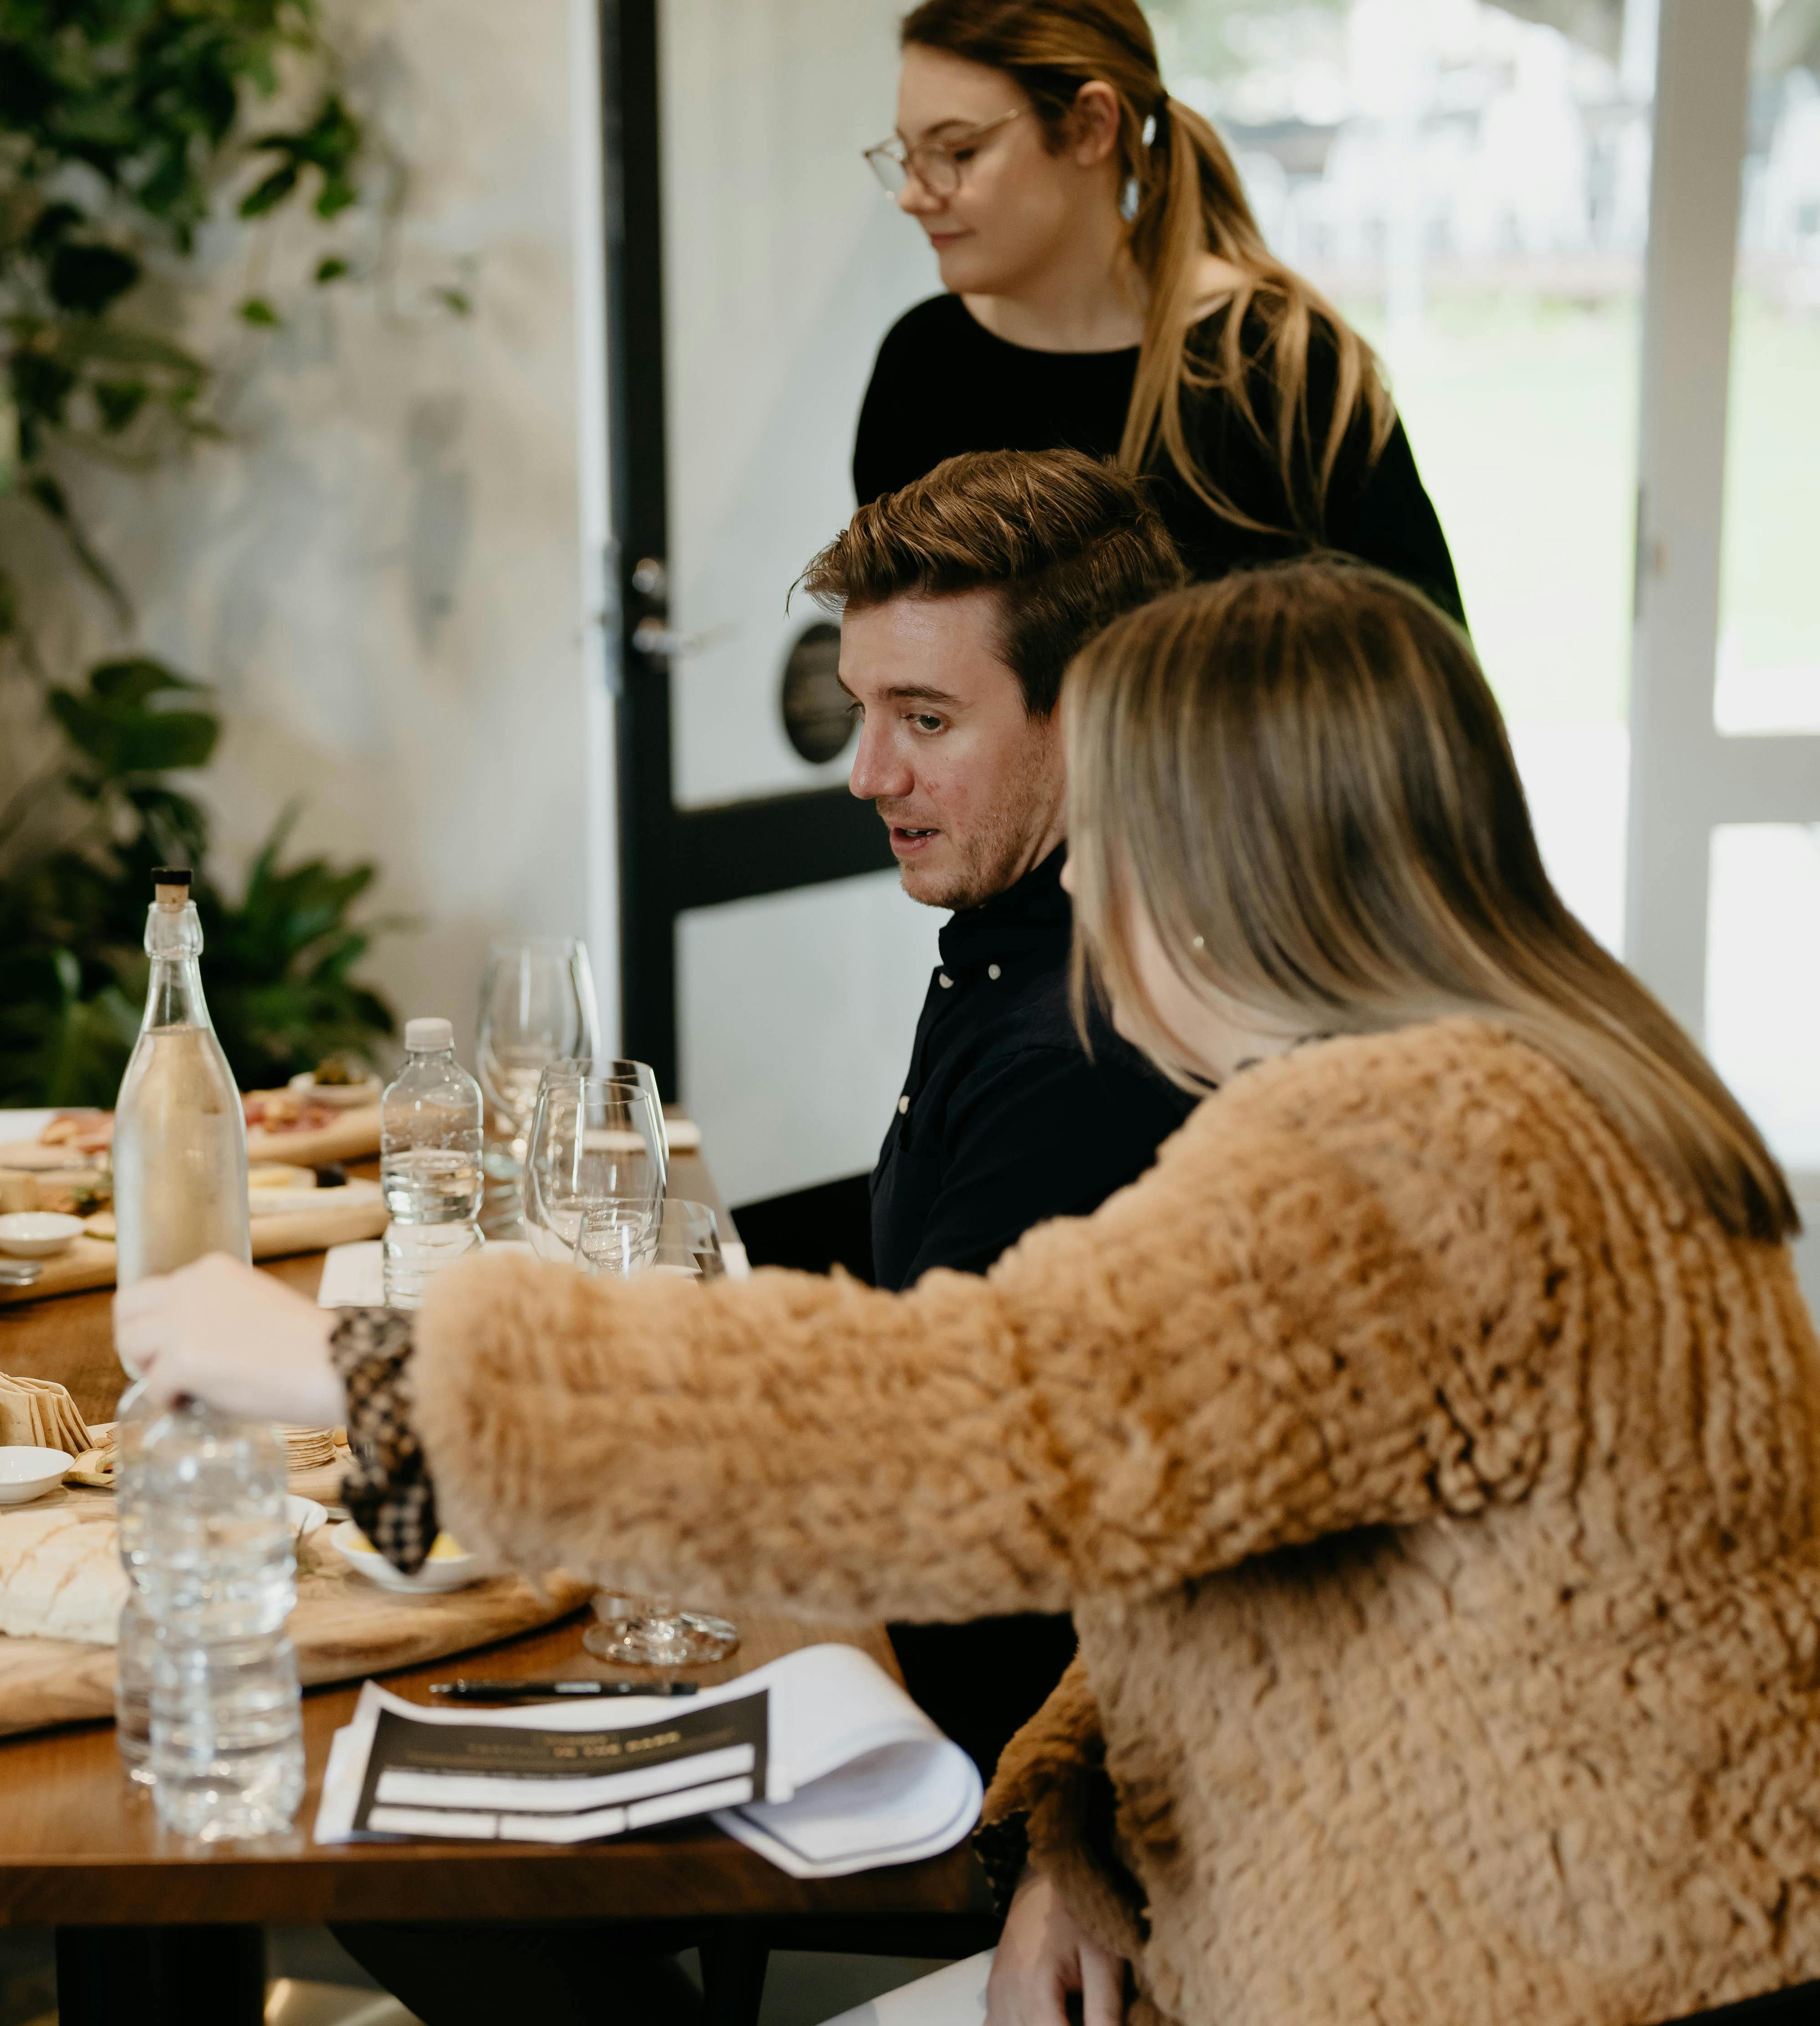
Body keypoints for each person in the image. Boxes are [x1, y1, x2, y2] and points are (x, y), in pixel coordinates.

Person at [125, 561, 1820, 2026]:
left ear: (1222, 863)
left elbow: (963, 1423)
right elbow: (1210, 1521)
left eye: (1117, 834)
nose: (1083, 888)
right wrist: (1073, 1830)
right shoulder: (1535, 1089)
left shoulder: (1407, 1154)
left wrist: (361, 1365)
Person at [824, 448, 1200, 1780]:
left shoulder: (1085, 1046)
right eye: (863, 712)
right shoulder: (1016, 938)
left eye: (925, 721)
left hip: (997, 1747)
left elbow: (932, 1466)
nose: (869, 774)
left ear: (1090, 713)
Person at [852, 0, 1463, 617]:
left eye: (960, 152)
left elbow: (1424, 669)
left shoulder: (1278, 362)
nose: (914, 195)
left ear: (1091, 126)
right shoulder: (921, 363)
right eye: (910, 157)